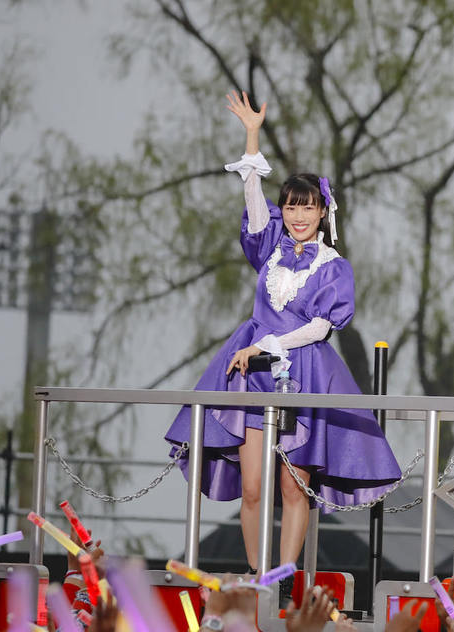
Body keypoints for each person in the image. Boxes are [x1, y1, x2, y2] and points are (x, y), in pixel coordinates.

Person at [165, 91, 402, 573]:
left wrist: (268, 345)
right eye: (291, 207)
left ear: (323, 213)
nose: (297, 216)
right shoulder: (271, 244)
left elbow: (320, 327)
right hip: (251, 371)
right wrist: (252, 136)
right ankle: (257, 576)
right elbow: (253, 202)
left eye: (307, 208)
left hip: (304, 372)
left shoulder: (335, 267)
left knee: (295, 487)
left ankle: (284, 577)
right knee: (253, 488)